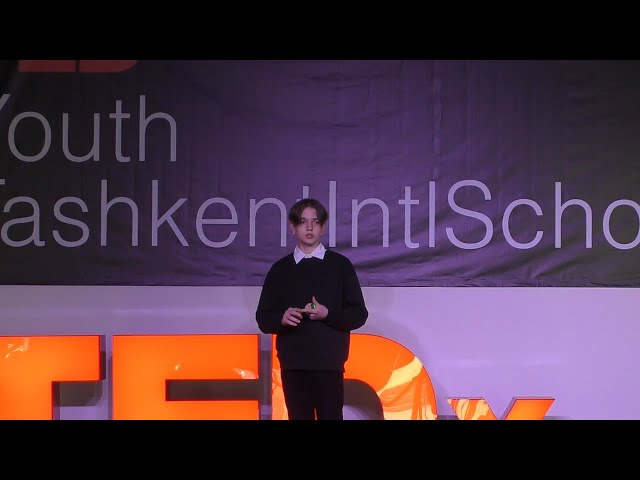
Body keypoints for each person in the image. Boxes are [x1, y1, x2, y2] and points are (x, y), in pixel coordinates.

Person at [255, 198, 369, 420]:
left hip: (329, 364)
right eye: (303, 222)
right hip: (294, 365)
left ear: (322, 227)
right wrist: (282, 318)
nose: (309, 228)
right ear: (293, 227)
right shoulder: (280, 270)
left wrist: (327, 314)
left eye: (315, 222)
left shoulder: (340, 266)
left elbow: (358, 314)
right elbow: (263, 318)